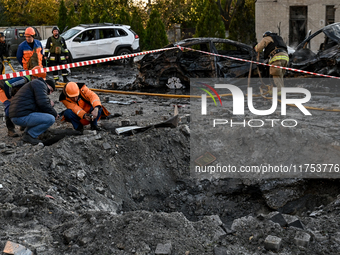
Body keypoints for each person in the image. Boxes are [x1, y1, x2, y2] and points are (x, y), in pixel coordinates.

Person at [9, 77, 58, 145]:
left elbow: (39, 105)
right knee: (51, 119)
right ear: (47, 84)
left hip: (17, 115)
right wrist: (55, 114)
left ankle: (27, 133)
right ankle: (31, 135)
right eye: (50, 90)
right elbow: (43, 103)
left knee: (43, 114)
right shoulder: (40, 84)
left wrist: (48, 103)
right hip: (20, 116)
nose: (49, 93)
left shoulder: (35, 84)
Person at [0, 66, 45, 137]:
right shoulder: (23, 79)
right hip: (4, 90)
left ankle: (23, 125)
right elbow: (7, 84)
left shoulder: (32, 79)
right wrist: (9, 97)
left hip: (14, 90)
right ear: (33, 77)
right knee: (10, 107)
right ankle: (10, 130)